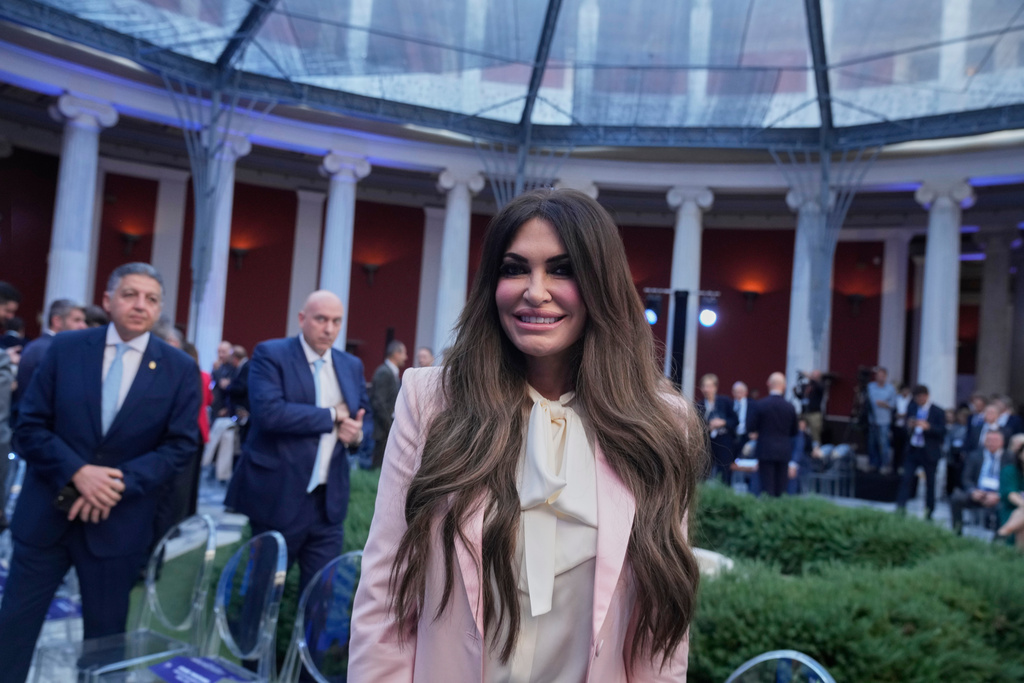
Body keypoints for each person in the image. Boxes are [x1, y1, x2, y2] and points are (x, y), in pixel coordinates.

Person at [349, 188, 705, 681]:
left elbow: (661, 630)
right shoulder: (430, 401)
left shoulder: (661, 423)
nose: (535, 291)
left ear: (601, 284)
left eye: (562, 269)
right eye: (515, 268)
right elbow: (386, 597)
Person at [0, 263, 200, 683]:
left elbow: (180, 446)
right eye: (130, 294)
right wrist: (78, 473)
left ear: (160, 308)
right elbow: (29, 426)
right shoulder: (66, 349)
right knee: (12, 637)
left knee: (104, 653)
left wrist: (116, 483)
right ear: (108, 301)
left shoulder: (179, 369)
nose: (140, 305)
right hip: (45, 521)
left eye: (151, 299)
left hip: (117, 526)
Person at [225, 291, 372, 593]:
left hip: (328, 505)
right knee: (261, 593)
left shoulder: (351, 365)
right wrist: (332, 415)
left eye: (336, 321)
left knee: (321, 596)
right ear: (302, 319)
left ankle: (311, 630)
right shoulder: (271, 354)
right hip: (278, 496)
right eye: (321, 319)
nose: (329, 329)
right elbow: (270, 414)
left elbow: (362, 416)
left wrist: (356, 436)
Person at [14, 299, 87, 409]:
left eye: (83, 321)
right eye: (77, 320)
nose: (83, 326)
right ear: (57, 321)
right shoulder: (52, 350)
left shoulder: (39, 345)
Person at [895, 385, 945, 519]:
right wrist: (909, 426)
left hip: (929, 452)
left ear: (926, 396)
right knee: (906, 479)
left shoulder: (938, 411)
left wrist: (928, 427)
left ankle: (929, 511)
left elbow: (942, 431)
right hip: (913, 450)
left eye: (921, 397)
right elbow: (905, 427)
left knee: (930, 483)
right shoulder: (912, 408)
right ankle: (900, 507)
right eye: (917, 398)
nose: (920, 400)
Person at [749, 372, 798, 498]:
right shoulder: (790, 407)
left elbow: (751, 427)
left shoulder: (761, 405)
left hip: (765, 450)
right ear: (784, 386)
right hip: (784, 451)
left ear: (768, 384)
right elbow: (794, 431)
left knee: (767, 488)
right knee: (781, 490)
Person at [950, 430, 1006, 535]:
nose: (992, 443)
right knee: (956, 498)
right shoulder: (975, 456)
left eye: (995, 440)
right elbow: (966, 478)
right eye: (989, 440)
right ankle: (957, 533)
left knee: (1004, 506)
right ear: (984, 442)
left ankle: (998, 539)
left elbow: (1010, 480)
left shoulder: (1008, 458)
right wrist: (973, 491)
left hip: (997, 494)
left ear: (1001, 442)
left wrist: (998, 494)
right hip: (978, 492)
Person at [370, 340, 407, 468]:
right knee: (378, 467)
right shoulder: (384, 372)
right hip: (383, 429)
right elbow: (378, 403)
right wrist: (390, 426)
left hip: (385, 428)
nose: (406, 357)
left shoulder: (390, 372)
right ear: (396, 354)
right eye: (404, 354)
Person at [697, 373, 737, 483]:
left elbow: (735, 421)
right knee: (703, 472)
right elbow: (697, 426)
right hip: (707, 443)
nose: (706, 389)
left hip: (724, 441)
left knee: (724, 473)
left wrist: (723, 422)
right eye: (704, 386)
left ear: (715, 387)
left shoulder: (725, 401)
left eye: (709, 386)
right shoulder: (699, 405)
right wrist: (708, 427)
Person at [865, 366, 897, 472]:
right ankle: (873, 464)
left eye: (882, 376)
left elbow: (893, 405)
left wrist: (885, 404)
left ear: (886, 376)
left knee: (883, 443)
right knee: (872, 443)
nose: (880, 378)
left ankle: (884, 464)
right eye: (878, 375)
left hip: (884, 421)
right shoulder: (870, 387)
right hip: (872, 420)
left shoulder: (890, 389)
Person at [996, 434, 1024, 549]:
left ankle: (1002, 533)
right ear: (1020, 454)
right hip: (1012, 510)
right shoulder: (1010, 471)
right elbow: (1010, 494)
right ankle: (1018, 554)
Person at [731, 380, 757, 459]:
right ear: (733, 393)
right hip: (732, 437)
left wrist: (756, 432)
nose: (739, 394)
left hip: (747, 436)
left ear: (746, 392)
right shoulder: (729, 404)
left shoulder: (754, 405)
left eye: (741, 392)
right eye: (736, 392)